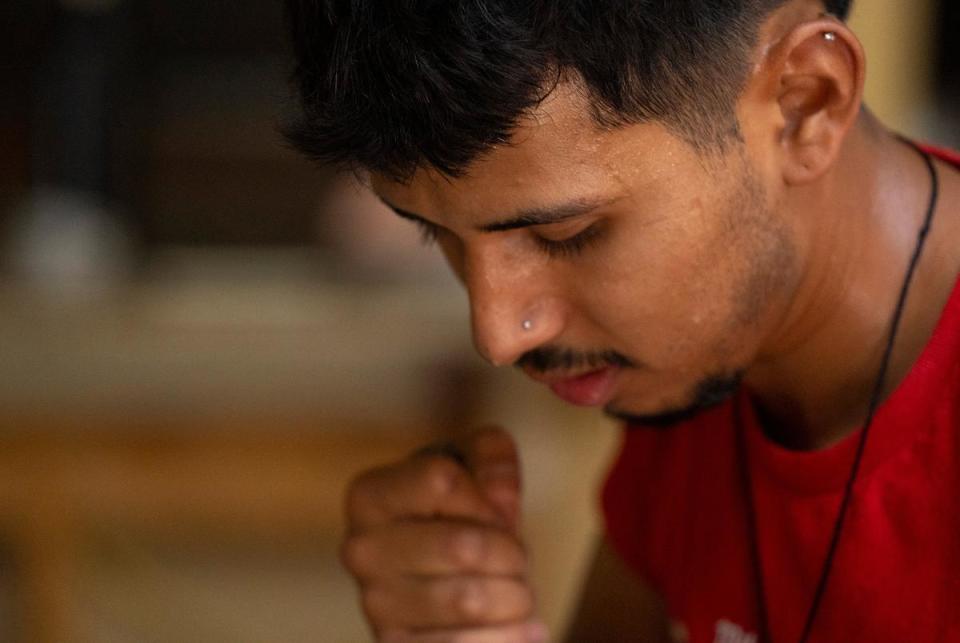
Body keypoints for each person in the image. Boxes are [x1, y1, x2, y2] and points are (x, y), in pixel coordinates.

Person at [283, 0, 960, 640]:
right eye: (439, 234)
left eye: (567, 234)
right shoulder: (703, 359)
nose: (496, 332)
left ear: (806, 102)